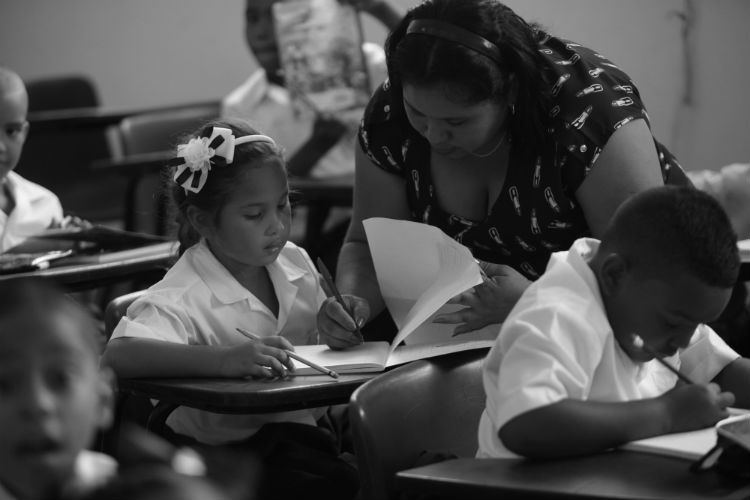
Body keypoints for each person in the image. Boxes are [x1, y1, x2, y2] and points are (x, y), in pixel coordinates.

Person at [316, 0, 692, 348]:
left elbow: (644, 281)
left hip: (636, 332)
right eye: (418, 114)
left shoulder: (589, 112)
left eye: (456, 121)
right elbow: (366, 247)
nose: (433, 135)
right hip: (476, 343)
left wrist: (535, 299)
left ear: (510, 92)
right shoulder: (390, 116)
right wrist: (353, 306)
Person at [101, 119, 358, 499]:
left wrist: (334, 326)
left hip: (307, 435)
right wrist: (223, 360)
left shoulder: (295, 262)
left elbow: (319, 353)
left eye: (284, 204)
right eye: (255, 215)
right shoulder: (182, 294)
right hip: (224, 459)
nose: (277, 225)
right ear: (203, 220)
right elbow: (118, 355)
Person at [475, 186, 750, 459]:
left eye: (694, 325)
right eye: (673, 324)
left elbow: (721, 370)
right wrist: (667, 414)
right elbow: (525, 424)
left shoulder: (659, 308)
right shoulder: (556, 315)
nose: (682, 341)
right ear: (615, 275)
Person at [0, 66, 63, 252]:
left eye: (11, 131)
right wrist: (31, 249)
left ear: (24, 133)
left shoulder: (46, 204)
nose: (1, 146)